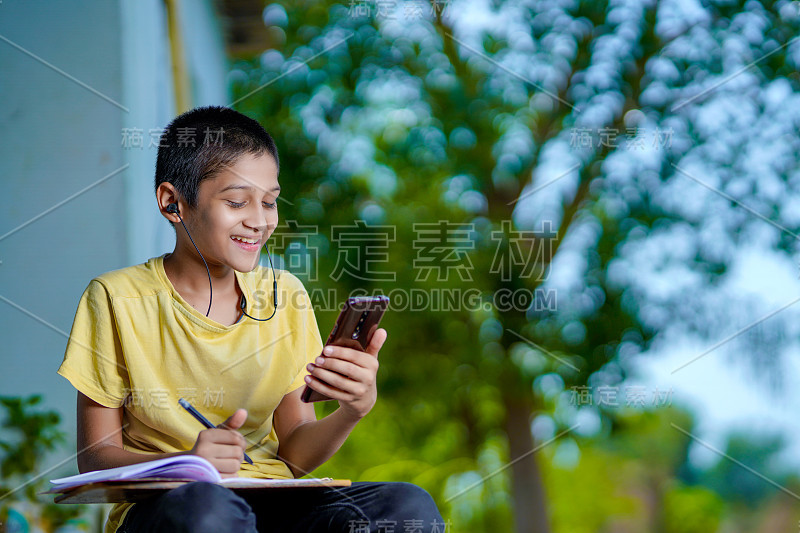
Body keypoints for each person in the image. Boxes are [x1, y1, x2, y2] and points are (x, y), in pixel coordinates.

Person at [57, 106, 444, 533]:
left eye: (269, 202)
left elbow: (294, 453)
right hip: (172, 508)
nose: (259, 221)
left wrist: (352, 410)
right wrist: (187, 465)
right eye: (237, 202)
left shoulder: (286, 295)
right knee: (209, 513)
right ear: (173, 203)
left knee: (407, 506)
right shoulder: (116, 298)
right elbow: (95, 456)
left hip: (272, 502)